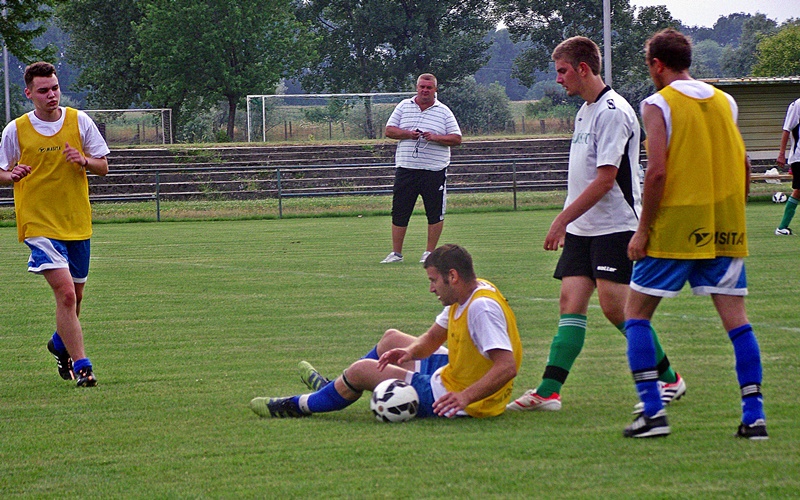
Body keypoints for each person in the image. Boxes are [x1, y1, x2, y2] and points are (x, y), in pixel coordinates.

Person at [506, 36, 684, 413]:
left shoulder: (614, 111)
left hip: (615, 224)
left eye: (562, 71)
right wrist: (571, 222)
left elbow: (606, 179)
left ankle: (670, 379)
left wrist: (560, 219)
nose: (558, 79)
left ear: (583, 68)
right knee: (570, 302)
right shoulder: (585, 110)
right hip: (583, 229)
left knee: (617, 309)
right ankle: (548, 391)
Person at [623, 29, 766, 439]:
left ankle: (652, 413)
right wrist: (732, 214)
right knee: (738, 323)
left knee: (636, 315)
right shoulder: (726, 100)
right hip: (724, 226)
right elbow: (743, 164)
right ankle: (754, 417)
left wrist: (643, 230)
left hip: (676, 227)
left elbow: (658, 171)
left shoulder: (657, 103)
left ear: (656, 64)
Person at [250, 244, 522, 419]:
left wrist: (464, 397)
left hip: (459, 401)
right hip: (458, 372)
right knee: (392, 338)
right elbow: (431, 339)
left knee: (360, 371)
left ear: (452, 276)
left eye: (433, 281)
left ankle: (297, 405)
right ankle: (335, 388)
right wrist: (408, 352)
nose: (431, 289)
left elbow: (507, 367)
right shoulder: (471, 290)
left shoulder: (480, 309)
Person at [0, 62, 110, 387]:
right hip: (39, 225)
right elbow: (1, 171)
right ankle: (84, 367)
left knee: (75, 298)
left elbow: (103, 165)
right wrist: (10, 176)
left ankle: (59, 344)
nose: (52, 95)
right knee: (65, 296)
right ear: (29, 93)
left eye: (55, 88)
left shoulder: (79, 121)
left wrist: (84, 160)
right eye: (44, 90)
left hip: (76, 223)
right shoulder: (16, 129)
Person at [380, 74, 462, 264]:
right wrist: (409, 134)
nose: (425, 90)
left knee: (434, 212)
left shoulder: (444, 111)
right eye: (422, 87)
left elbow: (457, 139)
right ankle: (396, 253)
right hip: (406, 168)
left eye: (429, 87)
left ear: (435, 90)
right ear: (417, 88)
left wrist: (435, 137)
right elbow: (389, 131)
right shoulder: (403, 106)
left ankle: (429, 253)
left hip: (434, 170)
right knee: (400, 211)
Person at [774, 96, 800, 235]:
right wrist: (781, 153)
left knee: (798, 191)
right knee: (798, 190)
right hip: (799, 157)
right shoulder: (797, 105)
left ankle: (782, 227)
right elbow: (786, 130)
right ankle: (781, 227)